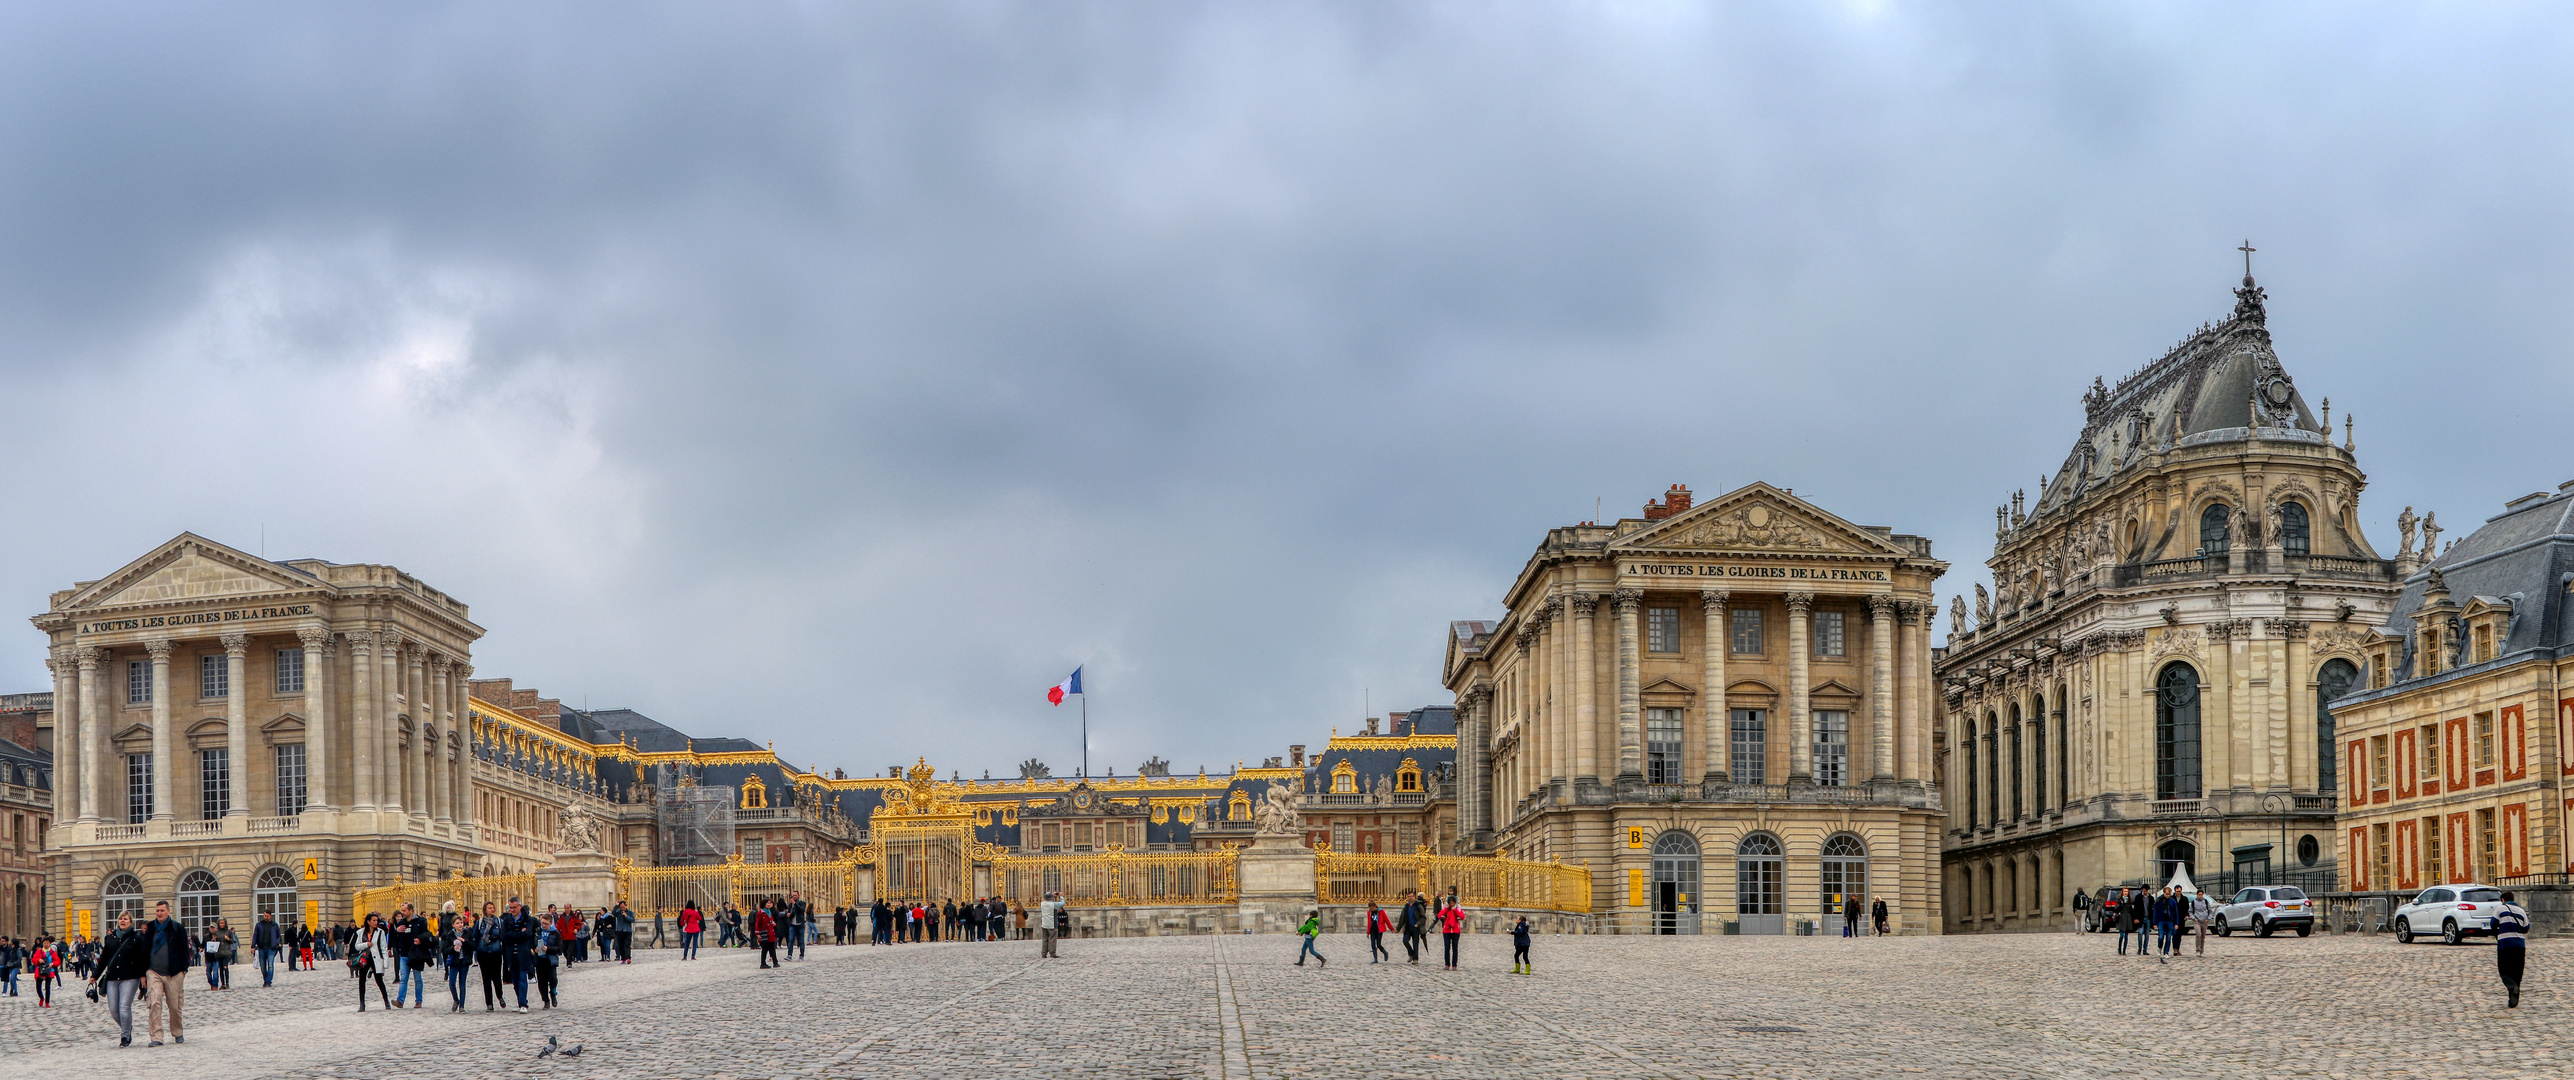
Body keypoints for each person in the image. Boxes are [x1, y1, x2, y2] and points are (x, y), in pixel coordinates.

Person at [92, 910, 149, 1046]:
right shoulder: (110, 938)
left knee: (124, 1006)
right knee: (113, 1009)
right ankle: (127, 1027)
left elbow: (142, 958)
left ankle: (125, 1037)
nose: (123, 921)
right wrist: (95, 975)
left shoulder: (137, 937)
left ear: (131, 922)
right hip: (112, 977)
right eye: (121, 919)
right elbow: (105, 958)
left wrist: (143, 976)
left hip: (130, 976)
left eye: (125, 919)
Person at [142, 900, 191, 1045]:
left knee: (175, 1006)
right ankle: (156, 1037)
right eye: (157, 910)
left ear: (168, 911)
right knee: (154, 1002)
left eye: (162, 910)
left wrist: (183, 971)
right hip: (154, 971)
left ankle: (177, 1032)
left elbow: (184, 950)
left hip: (174, 973)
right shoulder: (150, 928)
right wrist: (143, 973)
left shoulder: (177, 928)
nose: (159, 913)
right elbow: (144, 951)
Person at [2495, 890, 2530, 1008]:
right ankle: (2513, 999)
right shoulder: (2521, 911)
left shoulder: (2500, 909)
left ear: (2503, 900)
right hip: (2519, 945)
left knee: (2504, 970)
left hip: (2505, 944)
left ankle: (2511, 988)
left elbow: (2493, 923)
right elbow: (2526, 928)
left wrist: (2498, 932)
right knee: (2517, 972)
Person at [350, 912, 391, 1012]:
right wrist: (366, 944)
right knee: (362, 981)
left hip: (376, 958)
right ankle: (362, 1003)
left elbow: (384, 947)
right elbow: (357, 946)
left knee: (379, 981)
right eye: (373, 920)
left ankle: (386, 1000)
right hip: (365, 958)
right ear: (368, 921)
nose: (375, 922)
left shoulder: (380, 932)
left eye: (376, 920)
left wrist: (385, 962)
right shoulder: (360, 932)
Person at [392, 903, 430, 1008]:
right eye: (402, 910)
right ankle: (400, 1000)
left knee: (417, 978)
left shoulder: (420, 921)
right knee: (403, 978)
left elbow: (426, 934)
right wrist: (397, 932)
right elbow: (395, 940)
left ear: (411, 910)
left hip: (416, 954)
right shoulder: (401, 923)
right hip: (404, 954)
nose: (402, 913)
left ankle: (418, 1000)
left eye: (404, 910)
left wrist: (420, 940)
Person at [473, 901, 507, 1012]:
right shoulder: (479, 923)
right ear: (485, 910)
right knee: (486, 979)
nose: (492, 909)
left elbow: (503, 937)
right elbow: (475, 937)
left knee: (497, 977)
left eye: (493, 907)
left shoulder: (499, 922)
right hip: (483, 953)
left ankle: (500, 996)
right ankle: (489, 1003)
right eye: (489, 908)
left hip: (495, 952)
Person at [442, 908, 475, 1012]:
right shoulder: (450, 935)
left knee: (462, 984)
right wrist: (453, 948)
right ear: (453, 925)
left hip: (464, 961)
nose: (460, 924)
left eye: (461, 922)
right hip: (454, 962)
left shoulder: (467, 933)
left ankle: (462, 1006)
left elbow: (473, 946)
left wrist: (464, 941)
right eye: (457, 923)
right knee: (452, 983)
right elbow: (446, 950)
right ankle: (456, 1000)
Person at [253, 911, 283, 987]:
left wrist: (277, 942)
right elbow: (255, 936)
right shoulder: (259, 925)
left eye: (267, 916)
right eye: (265, 916)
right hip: (261, 947)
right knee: (262, 966)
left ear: (270, 916)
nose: (266, 917)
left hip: (271, 948)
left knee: (270, 965)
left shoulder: (274, 925)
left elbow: (278, 936)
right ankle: (265, 979)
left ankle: (268, 981)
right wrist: (253, 946)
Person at [32, 934, 59, 1007]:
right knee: (38, 987)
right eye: (44, 943)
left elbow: (57, 961)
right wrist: (38, 960)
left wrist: (52, 964)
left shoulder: (52, 952)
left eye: (47, 943)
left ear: (50, 944)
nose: (46, 944)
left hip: (49, 971)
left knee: (47, 987)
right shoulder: (39, 951)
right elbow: (33, 960)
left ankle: (47, 1002)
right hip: (40, 971)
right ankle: (41, 998)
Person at [1438, 897, 1465, 969]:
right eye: (1450, 903)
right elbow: (1439, 915)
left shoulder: (1457, 908)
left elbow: (1462, 916)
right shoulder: (1445, 908)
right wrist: (1446, 909)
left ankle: (1454, 964)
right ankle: (1447, 964)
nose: (1451, 905)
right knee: (1447, 947)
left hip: (1455, 930)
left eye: (1452, 903)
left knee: (1455, 948)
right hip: (1447, 930)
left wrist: (1455, 910)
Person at [1400, 892, 1426, 965]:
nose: (1410, 897)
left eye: (1411, 896)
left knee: (1415, 944)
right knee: (1405, 941)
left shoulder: (1418, 906)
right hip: (1408, 927)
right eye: (1409, 896)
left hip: (1415, 928)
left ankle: (1415, 958)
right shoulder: (1406, 906)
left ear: (1414, 897)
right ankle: (1411, 953)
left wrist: (1418, 924)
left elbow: (1423, 917)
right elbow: (1402, 918)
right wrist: (1398, 928)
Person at [754, 900, 780, 969]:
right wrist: (757, 933)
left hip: (770, 932)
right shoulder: (761, 913)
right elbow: (757, 923)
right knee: (765, 949)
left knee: (772, 948)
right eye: (768, 903)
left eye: (770, 903)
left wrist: (774, 924)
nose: (769, 904)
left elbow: (771, 920)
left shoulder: (769, 912)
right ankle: (763, 963)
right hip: (764, 933)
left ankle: (775, 962)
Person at [2189, 888, 2216, 956]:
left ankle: (2202, 950)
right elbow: (2190, 912)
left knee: (2203, 937)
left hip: (2204, 921)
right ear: (2197, 895)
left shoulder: (2206, 902)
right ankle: (2197, 949)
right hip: (2197, 920)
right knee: (2198, 934)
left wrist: (2208, 918)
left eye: (2201, 895)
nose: (2200, 896)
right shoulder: (2193, 902)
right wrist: (2193, 918)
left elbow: (2210, 911)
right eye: (2199, 895)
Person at [1038, 891, 1063, 958]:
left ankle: (1044, 953)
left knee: (1045, 939)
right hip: (1052, 924)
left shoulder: (1042, 903)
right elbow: (1062, 903)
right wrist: (1061, 896)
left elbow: (1047, 900)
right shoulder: (1054, 904)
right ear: (1051, 898)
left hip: (1044, 924)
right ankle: (1052, 953)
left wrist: (1052, 896)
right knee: (1052, 939)